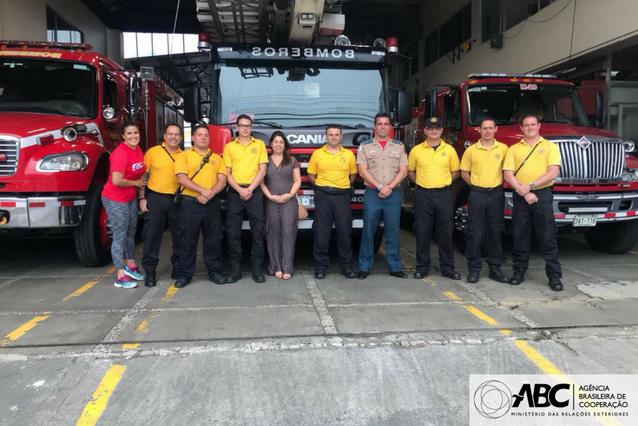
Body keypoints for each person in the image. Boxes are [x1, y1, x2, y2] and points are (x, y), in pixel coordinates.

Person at [503, 114, 563, 291]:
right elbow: (508, 174)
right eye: (526, 125)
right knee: (520, 235)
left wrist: (530, 186)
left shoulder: (550, 147)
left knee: (547, 237)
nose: (529, 127)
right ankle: (518, 272)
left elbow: (553, 172)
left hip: (542, 195)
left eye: (532, 124)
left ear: (539, 126)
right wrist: (523, 191)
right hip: (520, 196)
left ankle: (554, 277)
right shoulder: (513, 149)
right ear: (521, 128)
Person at [173, 122, 227, 288]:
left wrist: (209, 193)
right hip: (190, 204)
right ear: (193, 138)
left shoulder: (217, 158)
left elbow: (222, 181)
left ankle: (214, 271)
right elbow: (182, 178)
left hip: (211, 203)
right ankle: (185, 274)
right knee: (187, 240)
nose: (203, 137)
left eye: (206, 135)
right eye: (200, 135)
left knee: (213, 240)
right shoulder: (183, 156)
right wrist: (203, 191)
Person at [407, 116, 461, 280]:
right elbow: (410, 171)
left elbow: (456, 171)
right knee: (423, 231)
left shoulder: (449, 150)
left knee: (445, 232)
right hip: (423, 194)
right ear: (425, 131)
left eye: (437, 128)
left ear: (441, 131)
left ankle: (448, 268)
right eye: (431, 128)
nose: (434, 131)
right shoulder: (416, 150)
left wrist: (445, 182)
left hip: (443, 194)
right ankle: (422, 268)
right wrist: (421, 183)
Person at [356, 113, 408, 279]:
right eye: (380, 124)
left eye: (386, 124)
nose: (383, 127)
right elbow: (362, 170)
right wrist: (379, 186)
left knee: (393, 231)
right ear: (375, 127)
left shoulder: (399, 146)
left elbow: (404, 170)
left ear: (390, 127)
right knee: (368, 230)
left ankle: (395, 266)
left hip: (392, 194)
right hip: (372, 193)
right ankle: (364, 266)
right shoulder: (365, 146)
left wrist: (389, 187)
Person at [460, 117, 510, 284]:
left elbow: (508, 171)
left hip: (496, 194)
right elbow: (464, 172)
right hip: (477, 194)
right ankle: (474, 269)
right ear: (479, 130)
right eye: (484, 128)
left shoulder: (503, 149)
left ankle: (495, 269)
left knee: (495, 232)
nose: (487, 131)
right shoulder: (471, 150)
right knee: (476, 232)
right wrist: (475, 186)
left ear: (496, 129)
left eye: (490, 128)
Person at [307, 125, 358, 279]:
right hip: (323, 195)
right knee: (322, 233)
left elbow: (353, 175)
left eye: (337, 134)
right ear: (326, 137)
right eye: (331, 134)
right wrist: (321, 187)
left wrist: (342, 186)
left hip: (342, 196)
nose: (334, 137)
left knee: (344, 232)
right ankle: (321, 268)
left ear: (341, 137)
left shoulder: (349, 154)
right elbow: (311, 174)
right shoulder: (317, 154)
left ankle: (347, 266)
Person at [223, 114, 268, 283]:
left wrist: (249, 189)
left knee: (258, 231)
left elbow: (262, 169)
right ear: (237, 127)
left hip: (254, 192)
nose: (244, 129)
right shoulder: (229, 147)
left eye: (247, 126)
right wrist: (240, 190)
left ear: (251, 127)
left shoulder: (259, 145)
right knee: (233, 232)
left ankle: (257, 270)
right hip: (235, 192)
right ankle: (235, 270)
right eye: (241, 125)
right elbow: (227, 173)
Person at [101, 122, 146, 288]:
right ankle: (119, 275)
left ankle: (130, 265)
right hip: (115, 198)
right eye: (129, 134)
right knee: (120, 235)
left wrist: (139, 191)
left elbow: (141, 175)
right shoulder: (121, 153)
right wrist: (136, 183)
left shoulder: (137, 149)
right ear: (123, 136)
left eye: (136, 132)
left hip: (129, 198)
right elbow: (117, 180)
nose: (133, 136)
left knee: (130, 232)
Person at [139, 123, 183, 287]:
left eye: (177, 134)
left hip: (176, 201)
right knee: (152, 237)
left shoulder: (183, 155)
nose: (173, 137)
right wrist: (142, 198)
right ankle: (150, 273)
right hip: (155, 198)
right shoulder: (153, 152)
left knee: (179, 236)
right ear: (164, 136)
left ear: (180, 137)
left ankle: (177, 268)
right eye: (170, 134)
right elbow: (143, 176)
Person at [260, 131, 302, 280]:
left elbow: (297, 180)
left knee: (288, 233)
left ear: (285, 145)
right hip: (270, 201)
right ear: (271, 144)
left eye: (281, 142)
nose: (278, 144)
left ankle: (287, 267)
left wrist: (289, 195)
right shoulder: (264, 161)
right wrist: (270, 196)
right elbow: (261, 182)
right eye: (275, 141)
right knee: (272, 234)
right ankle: (275, 266)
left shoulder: (291, 160)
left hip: (288, 201)